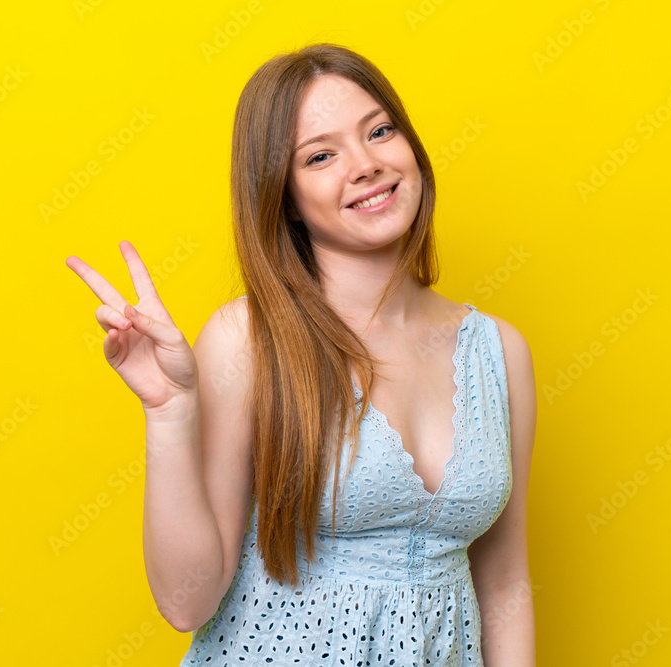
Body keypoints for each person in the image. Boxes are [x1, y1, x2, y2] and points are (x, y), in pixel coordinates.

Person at [66, 43, 537, 666]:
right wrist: (171, 412)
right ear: (283, 195)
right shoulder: (248, 339)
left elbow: (504, 582)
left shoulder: (498, 351)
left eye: (380, 131)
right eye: (320, 155)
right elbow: (187, 604)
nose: (366, 165)